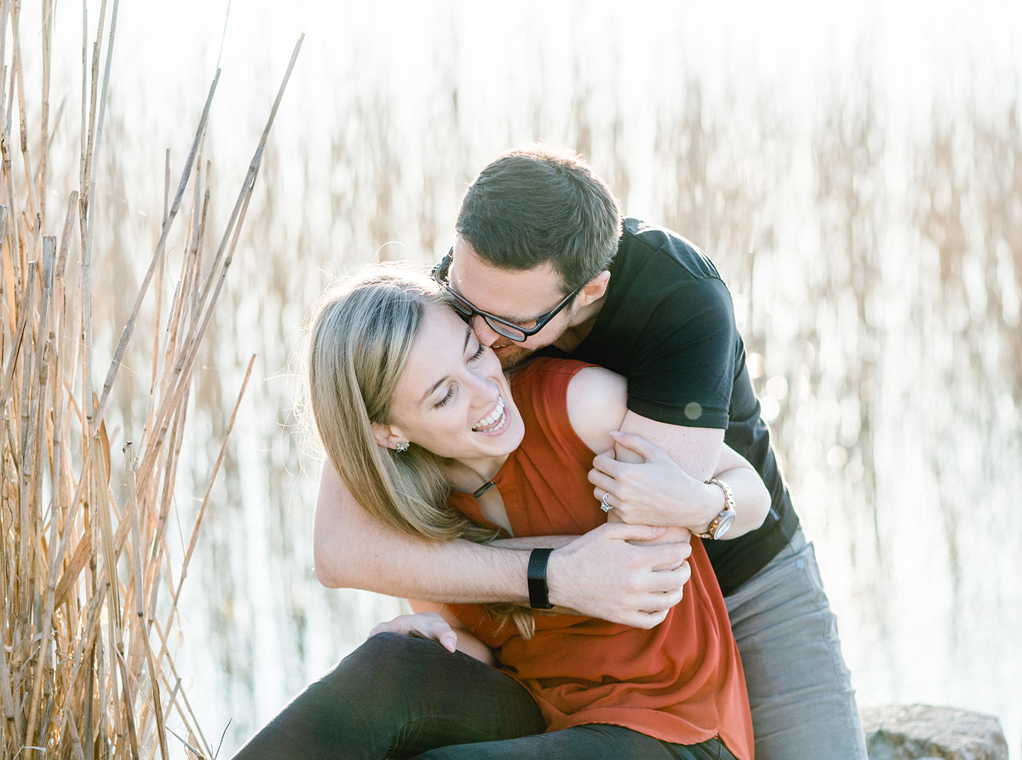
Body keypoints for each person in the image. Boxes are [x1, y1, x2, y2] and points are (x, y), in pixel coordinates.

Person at [313, 144, 867, 759]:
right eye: (465, 309)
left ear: (590, 291)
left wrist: (448, 565)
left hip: (741, 571)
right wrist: (445, 632)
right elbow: (341, 547)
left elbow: (632, 557)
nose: (482, 339)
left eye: (511, 325)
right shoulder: (469, 291)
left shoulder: (679, 301)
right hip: (565, 640)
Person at [234, 269, 767, 759]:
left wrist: (702, 505)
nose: (487, 391)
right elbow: (488, 650)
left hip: (674, 725)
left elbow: (750, 489)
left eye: (473, 355)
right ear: (389, 433)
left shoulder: (576, 404)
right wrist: (433, 642)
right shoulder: (416, 510)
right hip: (541, 715)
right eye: (444, 396)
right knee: (389, 662)